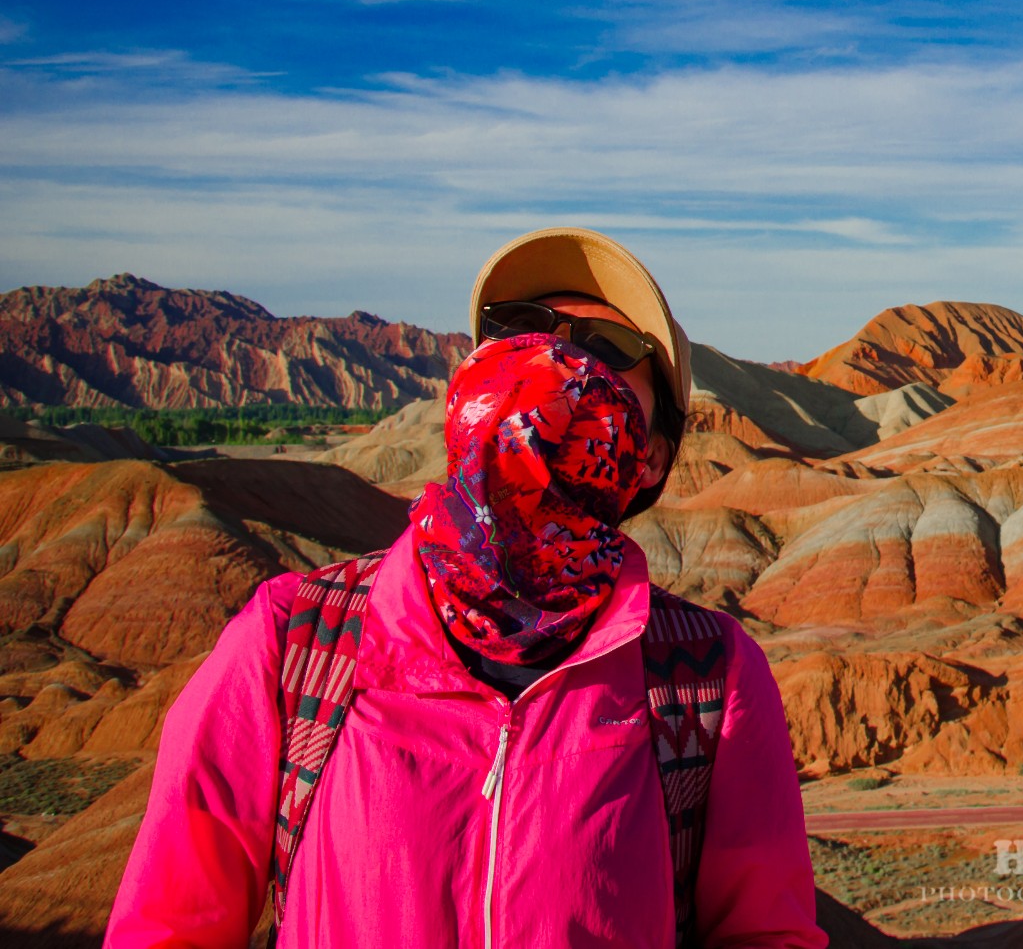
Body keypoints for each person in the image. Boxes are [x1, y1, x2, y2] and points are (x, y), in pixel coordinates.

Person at [107, 227, 826, 948]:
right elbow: (168, 927)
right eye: (521, 329)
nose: (553, 357)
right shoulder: (294, 640)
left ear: (652, 458)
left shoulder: (706, 678)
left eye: (603, 348)